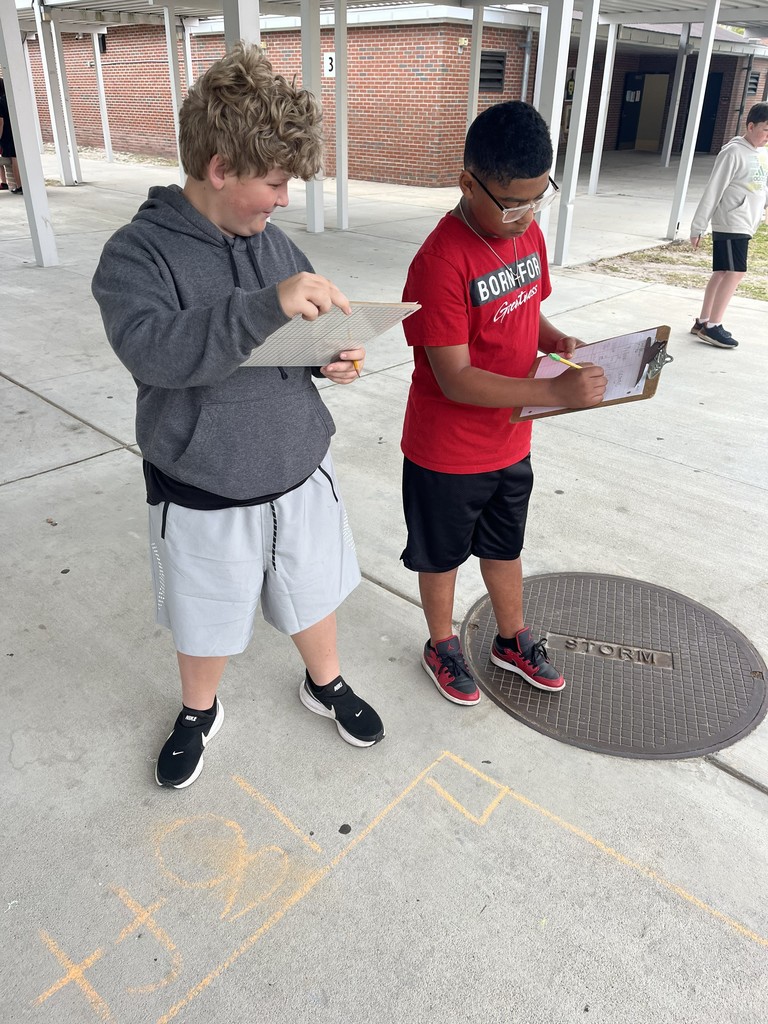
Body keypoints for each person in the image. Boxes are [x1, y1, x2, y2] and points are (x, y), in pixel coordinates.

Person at [92, 44, 384, 790]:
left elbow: (286, 338)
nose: (285, 199)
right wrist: (266, 305)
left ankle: (326, 683)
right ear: (221, 169)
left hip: (296, 464)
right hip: (203, 482)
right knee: (206, 614)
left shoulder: (271, 241)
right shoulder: (135, 255)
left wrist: (327, 359)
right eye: (276, 182)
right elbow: (154, 352)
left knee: (313, 591)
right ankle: (199, 710)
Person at [400, 101, 606, 706]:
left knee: (504, 544)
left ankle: (510, 639)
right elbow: (456, 377)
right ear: (468, 182)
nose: (526, 216)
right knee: (440, 556)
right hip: (447, 450)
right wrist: (552, 393)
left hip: (512, 439)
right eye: (514, 202)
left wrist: (556, 340)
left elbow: (527, 308)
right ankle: (441, 642)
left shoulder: (527, 232)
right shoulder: (439, 263)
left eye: (540, 198)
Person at [690, 101, 768, 349]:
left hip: (744, 222)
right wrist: (698, 226)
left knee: (723, 271)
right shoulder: (733, 152)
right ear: (751, 125)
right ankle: (714, 327)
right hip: (732, 221)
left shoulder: (759, 153)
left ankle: (703, 321)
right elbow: (714, 189)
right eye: (766, 129)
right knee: (736, 272)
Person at [0, 78, 23, 194]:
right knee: (16, 158)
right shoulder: (11, 99)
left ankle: (19, 186)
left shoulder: (0, 102)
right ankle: (11, 183)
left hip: (6, 135)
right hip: (17, 132)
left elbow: (1, 122)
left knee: (14, 159)